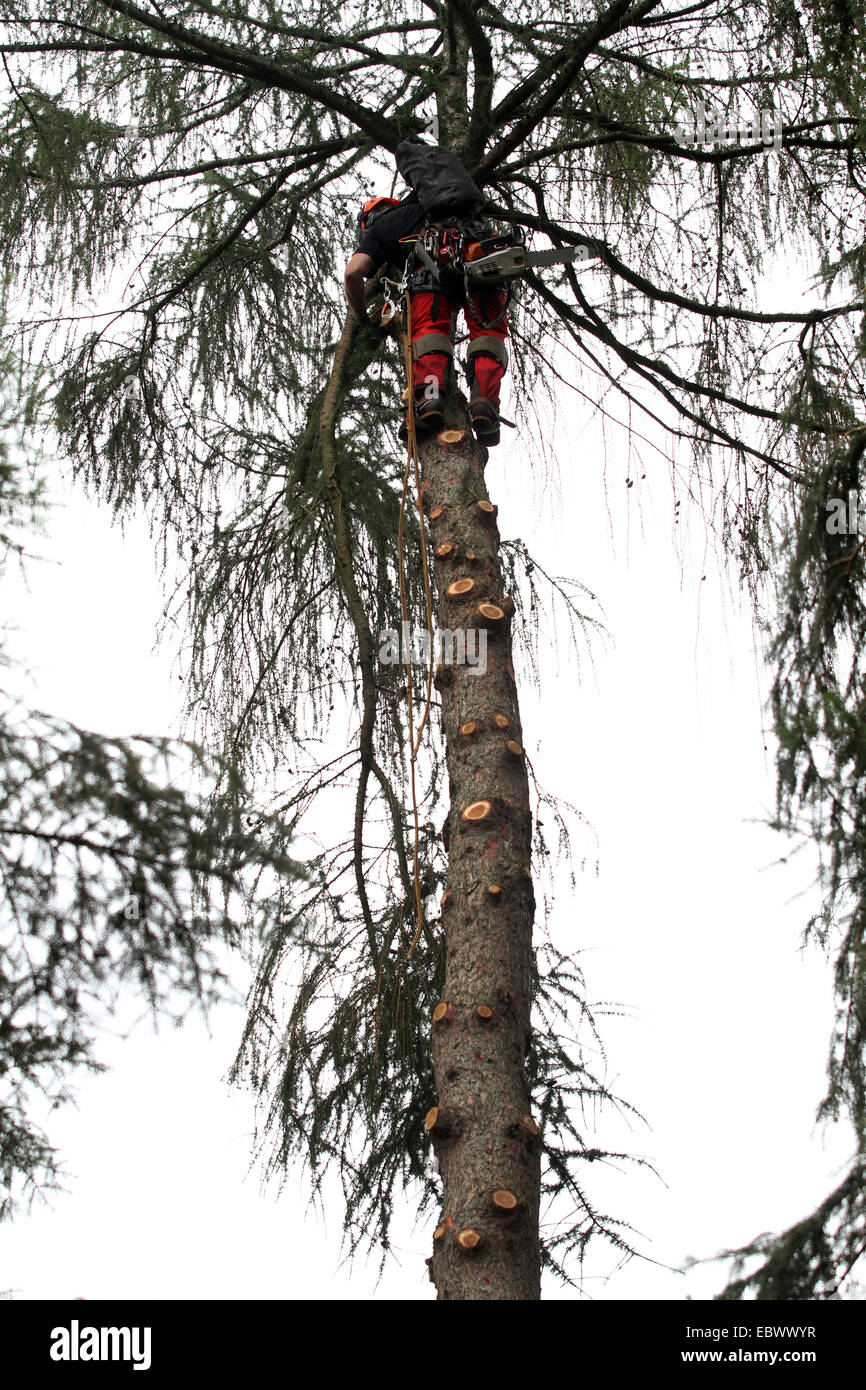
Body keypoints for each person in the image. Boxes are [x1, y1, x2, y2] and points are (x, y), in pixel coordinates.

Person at [344, 196, 509, 446]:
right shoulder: (437, 206)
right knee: (488, 332)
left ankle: (430, 398)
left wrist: (362, 316)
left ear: (368, 220)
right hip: (482, 255)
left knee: (430, 331)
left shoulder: (385, 225)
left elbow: (352, 272)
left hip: (430, 270)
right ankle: (485, 404)